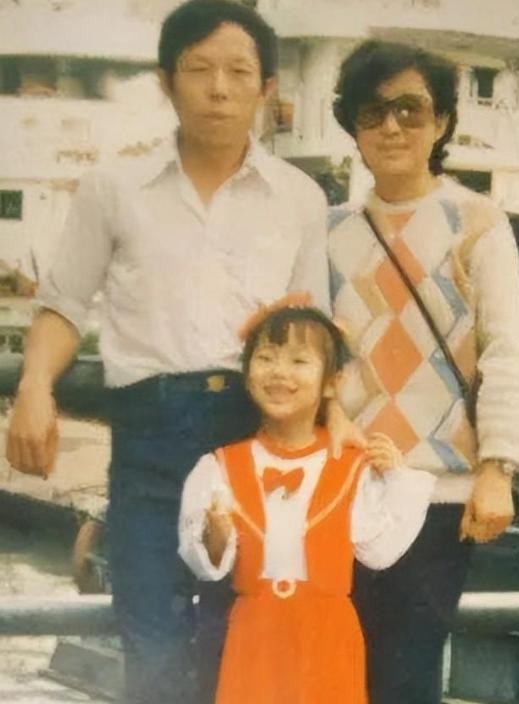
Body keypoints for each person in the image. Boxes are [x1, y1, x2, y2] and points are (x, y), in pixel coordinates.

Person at [5, 2, 332, 703]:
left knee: (239, 642)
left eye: (238, 72)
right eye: (199, 69)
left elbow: (314, 335)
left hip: (256, 437)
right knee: (151, 644)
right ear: (165, 81)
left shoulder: (300, 199)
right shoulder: (113, 188)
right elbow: (64, 303)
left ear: (266, 88)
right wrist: (33, 387)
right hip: (148, 439)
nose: (219, 88)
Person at [330, 40, 519, 703]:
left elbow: (509, 350)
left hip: (436, 494)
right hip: (343, 488)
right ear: (352, 124)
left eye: (410, 109)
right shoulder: (329, 229)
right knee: (335, 675)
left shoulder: (477, 223)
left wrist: (497, 468)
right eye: (372, 111)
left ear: (441, 121)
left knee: (404, 678)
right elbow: (308, 354)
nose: (391, 126)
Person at [178, 302, 436, 704]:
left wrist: (395, 478)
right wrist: (216, 534)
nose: (279, 372)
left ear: (332, 382)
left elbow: (381, 552)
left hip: (328, 639)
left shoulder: (351, 465)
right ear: (247, 373)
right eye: (266, 358)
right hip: (254, 638)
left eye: (299, 361)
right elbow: (209, 564)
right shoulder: (221, 466)